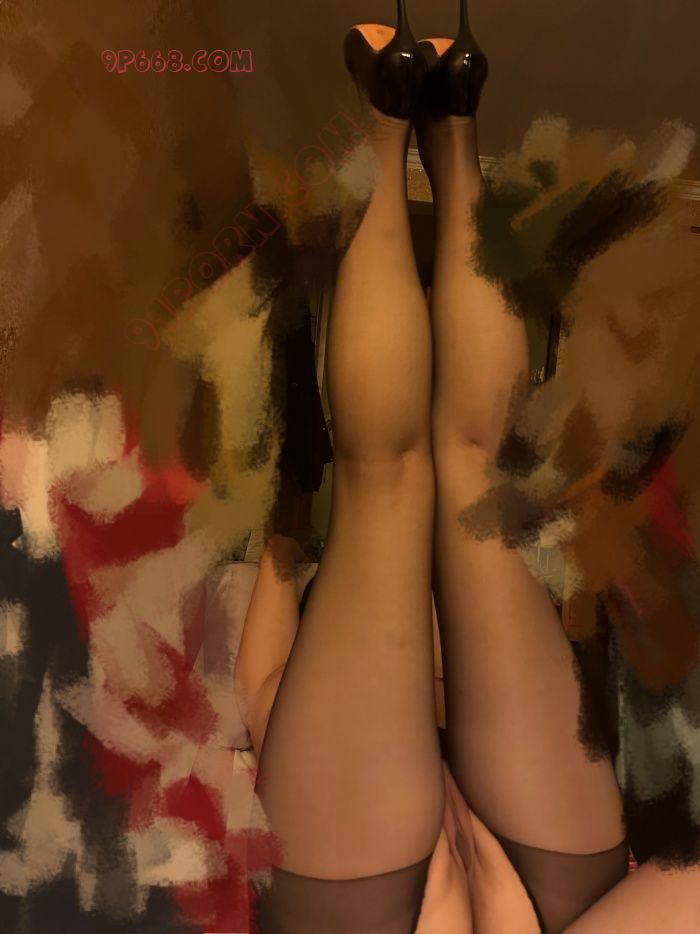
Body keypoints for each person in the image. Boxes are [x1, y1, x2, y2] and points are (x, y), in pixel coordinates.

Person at [234, 2, 700, 931]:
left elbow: (260, 691)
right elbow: (262, 689)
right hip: (465, 873)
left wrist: (287, 535)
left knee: (452, 468)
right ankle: (397, 119)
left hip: (498, 879)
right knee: (399, 475)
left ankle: (444, 123)